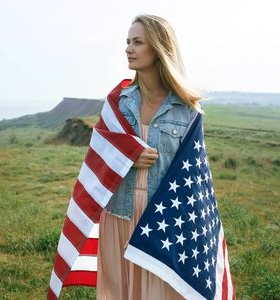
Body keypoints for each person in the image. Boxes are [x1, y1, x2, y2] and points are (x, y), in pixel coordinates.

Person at [96, 14, 204, 300]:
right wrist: (127, 156)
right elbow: (98, 154)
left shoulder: (188, 109)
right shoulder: (118, 102)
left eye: (137, 42)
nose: (128, 49)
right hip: (119, 212)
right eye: (128, 42)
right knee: (118, 291)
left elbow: (195, 177)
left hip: (162, 220)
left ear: (157, 48)